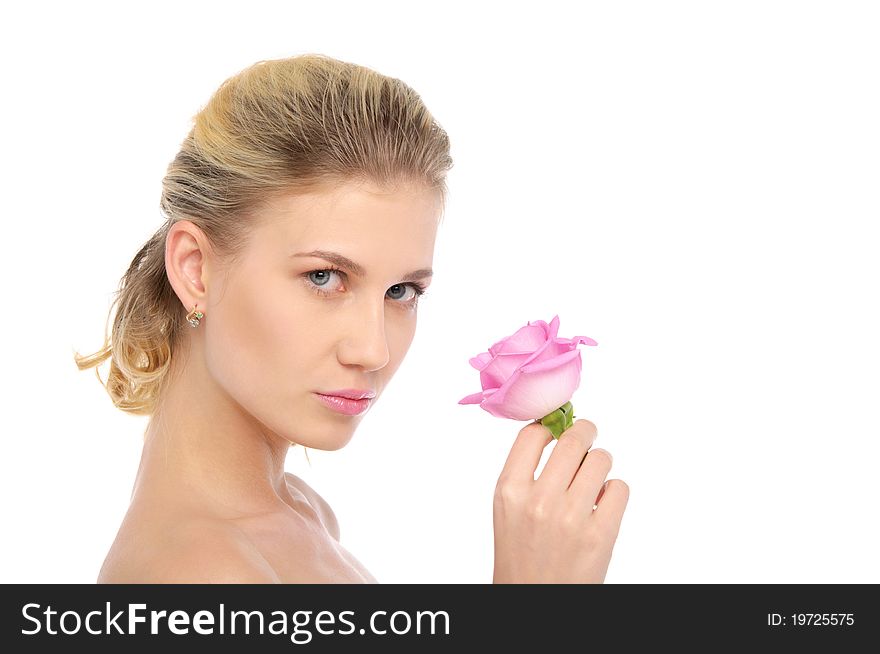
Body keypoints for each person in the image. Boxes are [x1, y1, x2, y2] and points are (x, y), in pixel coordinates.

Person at [75, 53, 629, 584]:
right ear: (196, 270)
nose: (373, 350)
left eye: (401, 290)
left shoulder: (300, 514)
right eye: (324, 277)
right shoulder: (201, 574)